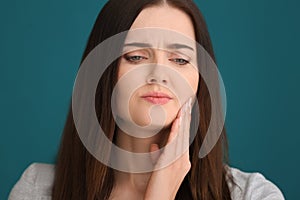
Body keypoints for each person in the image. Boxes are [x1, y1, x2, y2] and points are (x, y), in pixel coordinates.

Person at [9, 0, 285, 199]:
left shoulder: (252, 195)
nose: (160, 75)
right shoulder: (37, 189)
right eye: (136, 57)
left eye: (179, 60)